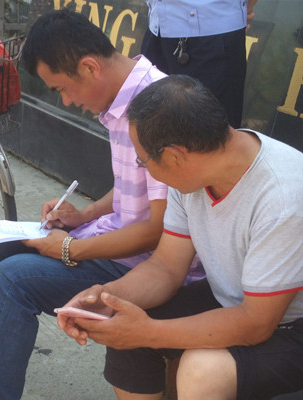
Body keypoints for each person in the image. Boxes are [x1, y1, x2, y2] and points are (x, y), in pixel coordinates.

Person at [0, 10, 203, 400]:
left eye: (62, 89)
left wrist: (69, 247)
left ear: (89, 67)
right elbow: (135, 186)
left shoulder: (156, 109)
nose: (66, 100)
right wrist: (84, 215)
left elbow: (159, 229)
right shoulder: (125, 99)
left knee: (15, 278)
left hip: (145, 263)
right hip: (117, 241)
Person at [58, 75, 303, 399]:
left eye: (143, 161)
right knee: (124, 320)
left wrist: (149, 332)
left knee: (201, 372)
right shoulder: (193, 172)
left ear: (175, 156)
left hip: (289, 323)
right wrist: (106, 297)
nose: (144, 169)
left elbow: (256, 324)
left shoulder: (283, 198)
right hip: (234, 298)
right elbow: (166, 266)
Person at [140, 0, 258, 128]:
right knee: (150, 129)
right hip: (156, 28)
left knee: (209, 134)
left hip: (211, 34)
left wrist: (244, 11)